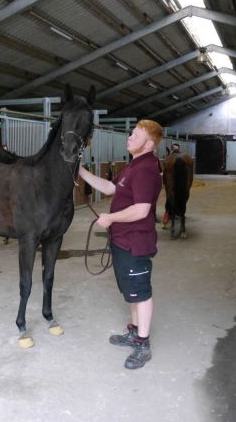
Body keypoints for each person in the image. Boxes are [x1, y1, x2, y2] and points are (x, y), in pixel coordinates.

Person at [79, 119, 163, 369]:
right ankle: (135, 332)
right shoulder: (133, 166)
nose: (129, 138)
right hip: (122, 241)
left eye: (135, 135)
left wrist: (110, 218)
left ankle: (143, 344)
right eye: (131, 133)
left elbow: (141, 209)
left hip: (135, 242)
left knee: (141, 293)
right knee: (132, 293)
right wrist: (80, 170)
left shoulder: (146, 169)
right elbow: (109, 188)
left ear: (148, 144)